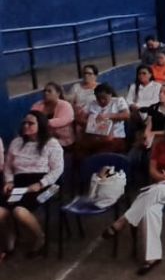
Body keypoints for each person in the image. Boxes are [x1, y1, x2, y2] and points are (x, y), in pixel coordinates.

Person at [102, 115, 165, 275]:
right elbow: (152, 170)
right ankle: (151, 257)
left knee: (153, 191)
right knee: (150, 211)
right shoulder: (160, 145)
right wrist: (161, 177)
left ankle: (122, 221)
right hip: (164, 184)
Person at [0, 111, 63, 260]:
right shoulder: (17, 142)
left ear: (40, 125)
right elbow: (8, 166)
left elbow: (57, 170)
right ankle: (11, 241)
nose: (26, 126)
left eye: (30, 123)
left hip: (46, 185)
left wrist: (40, 184)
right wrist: (8, 181)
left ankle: (40, 238)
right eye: (24, 123)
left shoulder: (51, 144)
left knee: (19, 211)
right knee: (2, 211)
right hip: (19, 183)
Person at [76, 84, 130, 157]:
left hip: (114, 137)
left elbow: (126, 115)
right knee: (79, 150)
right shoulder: (92, 103)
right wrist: (92, 122)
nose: (102, 101)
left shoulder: (118, 101)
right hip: (94, 136)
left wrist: (108, 116)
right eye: (99, 98)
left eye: (104, 98)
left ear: (110, 95)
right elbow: (80, 119)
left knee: (102, 153)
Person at [30, 82, 75, 149]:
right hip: (42, 140)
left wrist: (41, 123)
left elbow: (61, 121)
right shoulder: (37, 105)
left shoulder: (65, 105)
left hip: (63, 141)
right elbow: (31, 119)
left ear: (58, 93)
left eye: (49, 91)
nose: (46, 93)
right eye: (44, 91)